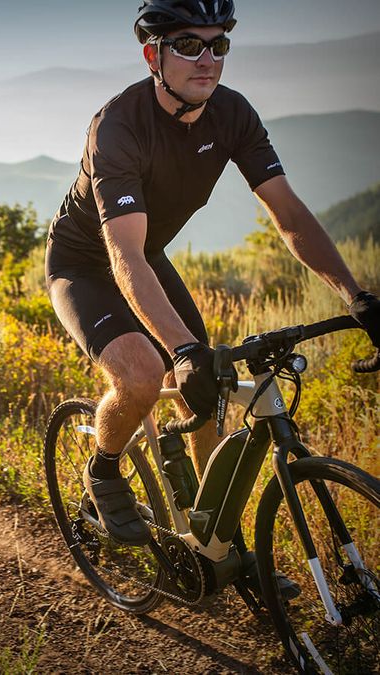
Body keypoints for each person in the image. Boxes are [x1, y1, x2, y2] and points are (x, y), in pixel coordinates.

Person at [44, 0, 380, 590]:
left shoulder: (232, 114)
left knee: (211, 393)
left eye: (219, 44)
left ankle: (210, 541)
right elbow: (119, 254)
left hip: (146, 259)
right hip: (85, 266)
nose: (208, 59)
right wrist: (180, 349)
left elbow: (289, 213)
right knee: (147, 375)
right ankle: (103, 469)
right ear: (154, 54)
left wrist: (357, 295)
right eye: (189, 45)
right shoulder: (118, 126)